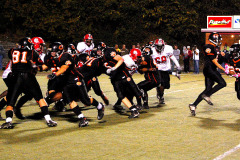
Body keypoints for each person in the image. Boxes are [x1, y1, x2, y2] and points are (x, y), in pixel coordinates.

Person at [0, 37, 57, 129]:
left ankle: (8, 121)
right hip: (27, 76)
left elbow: (14, 57)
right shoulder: (33, 53)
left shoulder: (12, 51)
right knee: (40, 98)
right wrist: (40, 66)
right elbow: (40, 66)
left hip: (15, 76)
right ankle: (48, 119)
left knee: (11, 101)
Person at [189, 32, 228, 116]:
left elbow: (218, 60)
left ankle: (193, 105)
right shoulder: (208, 47)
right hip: (209, 69)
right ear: (215, 39)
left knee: (208, 89)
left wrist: (221, 55)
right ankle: (207, 95)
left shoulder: (215, 48)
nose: (219, 41)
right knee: (222, 83)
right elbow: (214, 61)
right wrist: (224, 69)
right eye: (218, 39)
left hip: (210, 69)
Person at [102, 47, 141, 118]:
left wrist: (114, 68)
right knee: (120, 95)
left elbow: (120, 59)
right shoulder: (101, 60)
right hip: (115, 79)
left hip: (123, 76)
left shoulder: (109, 52)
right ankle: (133, 110)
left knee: (134, 91)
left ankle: (139, 104)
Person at [151, 38, 181, 105]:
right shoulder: (152, 51)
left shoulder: (168, 49)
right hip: (157, 69)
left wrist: (178, 66)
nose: (159, 47)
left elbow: (172, 57)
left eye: (160, 46)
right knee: (160, 84)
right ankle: (161, 96)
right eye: (158, 46)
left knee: (165, 85)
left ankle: (160, 94)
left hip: (165, 69)